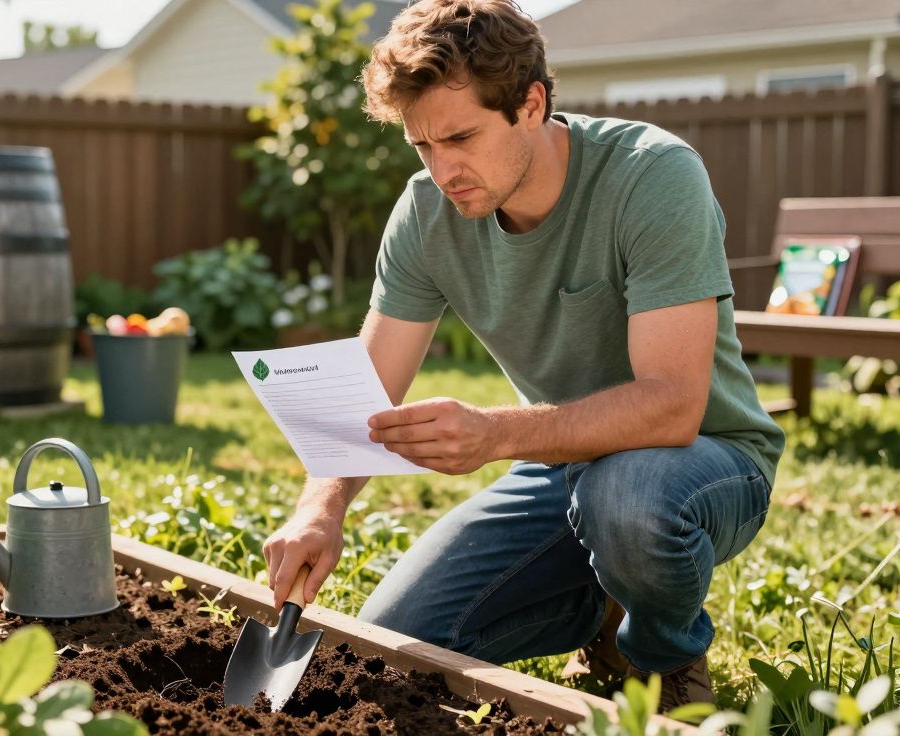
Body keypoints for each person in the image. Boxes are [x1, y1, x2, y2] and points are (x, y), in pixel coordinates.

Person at [260, 0, 784, 711]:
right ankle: (597, 606)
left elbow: (673, 403)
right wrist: (320, 507)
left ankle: (663, 666)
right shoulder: (426, 215)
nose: (444, 170)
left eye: (462, 137)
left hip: (704, 461)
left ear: (530, 105)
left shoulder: (652, 176)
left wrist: (495, 434)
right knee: (392, 645)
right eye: (423, 147)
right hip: (564, 469)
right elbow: (367, 390)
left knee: (626, 499)